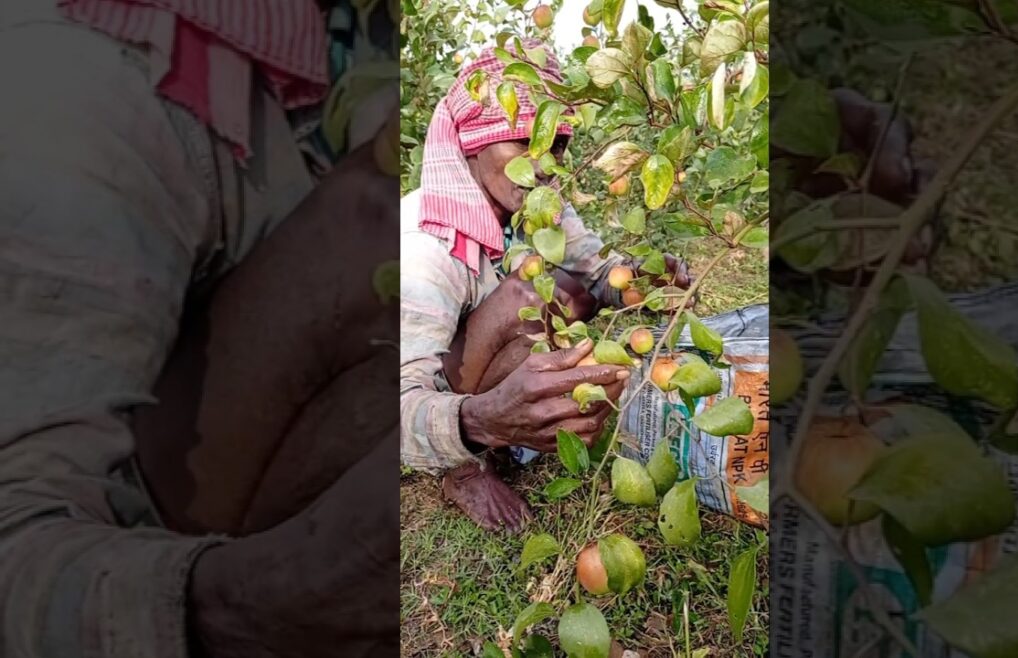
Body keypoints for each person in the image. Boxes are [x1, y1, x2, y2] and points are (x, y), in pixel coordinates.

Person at [1, 1, 399, 656]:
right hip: (198, 589)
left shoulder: (351, 46)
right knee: (374, 235)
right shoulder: (81, 89)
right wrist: (264, 602)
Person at [398, 43, 694, 533]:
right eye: (521, 143)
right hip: (416, 376)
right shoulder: (426, 248)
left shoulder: (538, 201)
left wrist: (646, 278)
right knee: (527, 294)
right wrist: (479, 424)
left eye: (555, 146)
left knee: (569, 289)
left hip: (475, 354)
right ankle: (463, 469)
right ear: (473, 142)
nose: (543, 164)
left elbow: (597, 276)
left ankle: (509, 423)